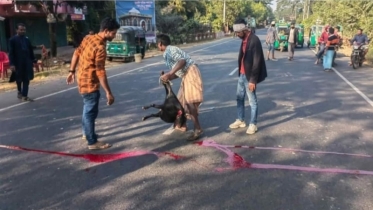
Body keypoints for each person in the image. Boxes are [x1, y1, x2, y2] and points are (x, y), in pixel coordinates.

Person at [66, 17, 120, 150]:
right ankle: (92, 142)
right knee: (90, 112)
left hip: (81, 80)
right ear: (106, 31)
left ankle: (86, 133)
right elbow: (100, 72)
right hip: (90, 83)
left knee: (87, 109)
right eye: (113, 33)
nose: (114, 36)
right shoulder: (100, 47)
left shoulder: (88, 38)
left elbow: (76, 53)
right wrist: (109, 92)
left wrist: (71, 71)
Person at [158, 34, 204, 141]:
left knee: (190, 101)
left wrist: (169, 73)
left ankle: (198, 129)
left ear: (160, 44)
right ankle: (182, 124)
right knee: (181, 101)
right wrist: (167, 77)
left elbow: (182, 61)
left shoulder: (170, 49)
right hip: (185, 75)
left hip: (190, 72)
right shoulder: (167, 54)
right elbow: (178, 72)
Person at [229, 18, 267, 135]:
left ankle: (253, 124)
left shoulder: (254, 40)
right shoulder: (244, 39)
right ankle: (241, 120)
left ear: (244, 30)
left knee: (252, 101)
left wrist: (253, 80)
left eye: (238, 33)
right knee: (239, 98)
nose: (237, 35)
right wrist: (240, 73)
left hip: (249, 76)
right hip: (242, 74)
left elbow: (257, 61)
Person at [8, 23, 37, 101]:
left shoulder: (27, 39)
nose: (23, 31)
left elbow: (30, 50)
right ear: (17, 30)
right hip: (18, 63)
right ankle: (19, 91)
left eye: (24, 30)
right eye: (21, 30)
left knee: (26, 79)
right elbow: (11, 53)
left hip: (27, 62)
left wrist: (34, 60)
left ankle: (24, 95)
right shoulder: (12, 40)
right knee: (19, 78)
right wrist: (12, 64)